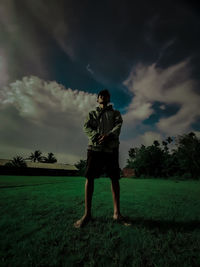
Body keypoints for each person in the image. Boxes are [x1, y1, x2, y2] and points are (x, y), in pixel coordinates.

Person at [74, 89, 130, 228]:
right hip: (94, 148)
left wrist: (109, 135)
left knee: (114, 178)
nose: (103, 97)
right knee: (90, 178)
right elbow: (86, 127)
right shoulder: (92, 114)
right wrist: (96, 136)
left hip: (111, 148)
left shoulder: (115, 113)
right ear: (97, 99)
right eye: (101, 95)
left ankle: (117, 213)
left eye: (106, 95)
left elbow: (118, 125)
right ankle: (87, 214)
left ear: (109, 98)